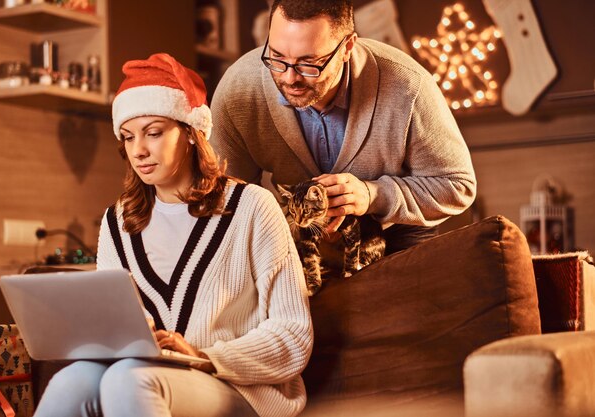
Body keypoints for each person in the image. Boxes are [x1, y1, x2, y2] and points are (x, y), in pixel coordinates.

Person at [33, 53, 313, 417]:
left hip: (241, 389)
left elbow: (294, 335)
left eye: (154, 132)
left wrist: (206, 357)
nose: (139, 150)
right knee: (73, 380)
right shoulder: (116, 223)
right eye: (128, 137)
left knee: (129, 378)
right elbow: (112, 332)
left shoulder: (252, 207)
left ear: (191, 133)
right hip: (147, 375)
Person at [209, 0, 477, 257]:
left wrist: (374, 195)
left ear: (347, 47)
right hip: (298, 230)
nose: (290, 78)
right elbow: (226, 199)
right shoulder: (238, 89)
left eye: (308, 63)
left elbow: (458, 185)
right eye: (277, 58)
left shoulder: (409, 87)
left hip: (395, 233)